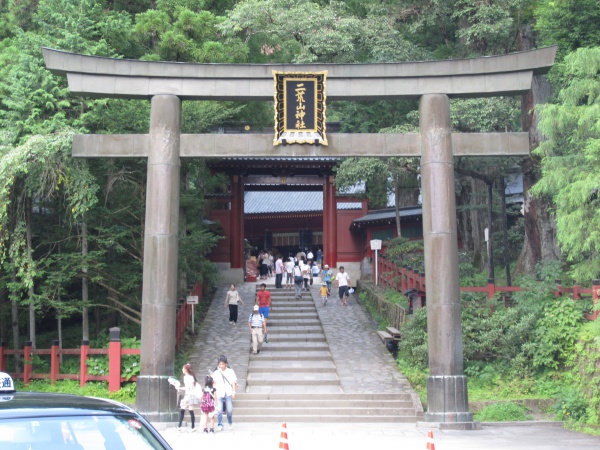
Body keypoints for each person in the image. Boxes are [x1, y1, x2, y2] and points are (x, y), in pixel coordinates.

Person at [212, 355, 238, 431]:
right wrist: (214, 393)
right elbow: (214, 383)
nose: (221, 366)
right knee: (219, 409)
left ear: (226, 364)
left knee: (229, 410)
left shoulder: (230, 371)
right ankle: (220, 424)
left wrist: (233, 391)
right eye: (220, 364)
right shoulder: (216, 372)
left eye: (222, 364)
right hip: (219, 391)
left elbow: (233, 382)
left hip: (228, 391)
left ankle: (230, 422)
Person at [176, 363, 199, 432]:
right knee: (188, 410)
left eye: (183, 368)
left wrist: (187, 397)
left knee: (186, 410)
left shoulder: (188, 377)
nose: (182, 369)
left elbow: (189, 388)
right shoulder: (189, 377)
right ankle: (191, 427)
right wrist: (180, 388)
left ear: (186, 369)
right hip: (190, 395)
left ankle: (189, 427)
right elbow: (188, 388)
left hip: (190, 395)